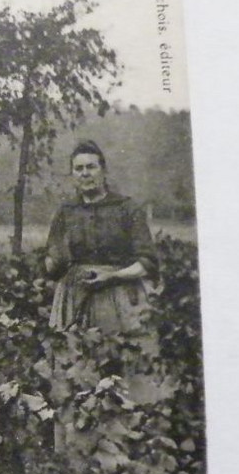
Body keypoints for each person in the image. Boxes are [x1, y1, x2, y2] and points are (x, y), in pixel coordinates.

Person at [45, 141, 158, 334]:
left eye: (91, 167)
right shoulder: (66, 212)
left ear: (103, 170)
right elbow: (52, 261)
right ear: (72, 175)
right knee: (72, 357)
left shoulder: (126, 208)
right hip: (74, 297)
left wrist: (112, 276)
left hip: (119, 296)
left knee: (115, 354)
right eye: (78, 168)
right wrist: (54, 261)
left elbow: (147, 263)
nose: (85, 173)